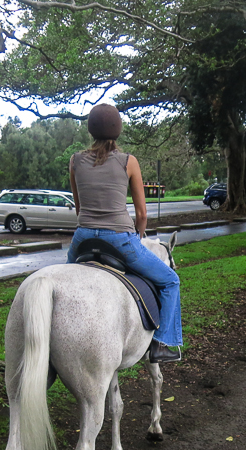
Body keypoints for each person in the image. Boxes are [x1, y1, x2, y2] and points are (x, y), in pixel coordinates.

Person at [66, 104, 182, 363]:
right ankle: (163, 344)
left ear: (91, 129)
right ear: (117, 130)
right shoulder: (129, 161)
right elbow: (142, 214)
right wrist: (138, 236)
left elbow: (80, 207)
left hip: (82, 237)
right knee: (170, 280)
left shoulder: (74, 161)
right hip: (119, 238)